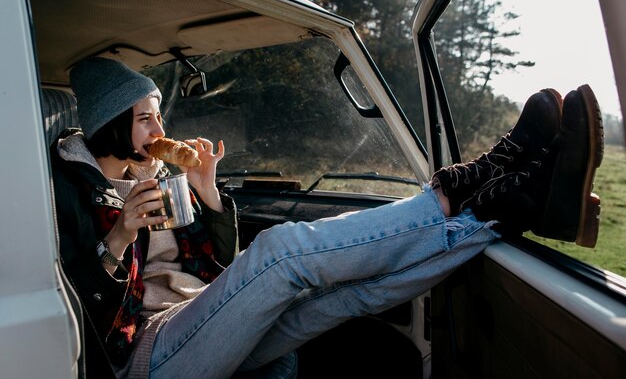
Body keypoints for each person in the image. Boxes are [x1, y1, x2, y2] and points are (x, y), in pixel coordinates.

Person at [51, 57, 603, 379]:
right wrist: (119, 237)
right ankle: (458, 190)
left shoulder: (156, 175)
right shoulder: (67, 188)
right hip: (140, 356)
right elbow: (73, 308)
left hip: (196, 315)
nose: (157, 129)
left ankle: (501, 210)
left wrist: (207, 192)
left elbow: (214, 259)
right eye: (143, 118)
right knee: (281, 252)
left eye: (157, 115)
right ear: (109, 125)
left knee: (342, 298)